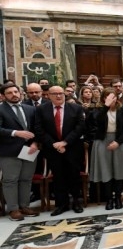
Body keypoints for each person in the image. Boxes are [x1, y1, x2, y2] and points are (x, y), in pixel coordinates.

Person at [34, 86, 86, 216]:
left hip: (72, 147)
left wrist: (65, 142)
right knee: (58, 177)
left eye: (61, 93)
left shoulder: (76, 108)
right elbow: (39, 129)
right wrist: (54, 144)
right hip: (52, 149)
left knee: (74, 175)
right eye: (55, 94)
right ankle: (62, 204)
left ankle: (76, 202)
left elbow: (79, 128)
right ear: (49, 95)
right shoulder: (41, 109)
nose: (58, 96)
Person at [87, 88, 123, 210]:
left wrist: (118, 142)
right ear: (103, 98)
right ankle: (108, 199)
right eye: (108, 97)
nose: (111, 99)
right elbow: (96, 122)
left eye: (113, 97)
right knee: (106, 170)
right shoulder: (98, 110)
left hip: (120, 141)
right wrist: (106, 107)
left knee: (119, 170)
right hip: (102, 141)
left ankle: (118, 198)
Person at [0, 83, 39, 221]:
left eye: (16, 91)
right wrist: (16, 133)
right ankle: (13, 209)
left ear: (20, 93)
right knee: (11, 180)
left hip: (30, 149)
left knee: (26, 179)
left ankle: (25, 206)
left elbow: (37, 128)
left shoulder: (30, 109)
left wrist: (35, 143)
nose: (14, 95)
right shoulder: (1, 109)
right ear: (3, 96)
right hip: (9, 151)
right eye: (10, 93)